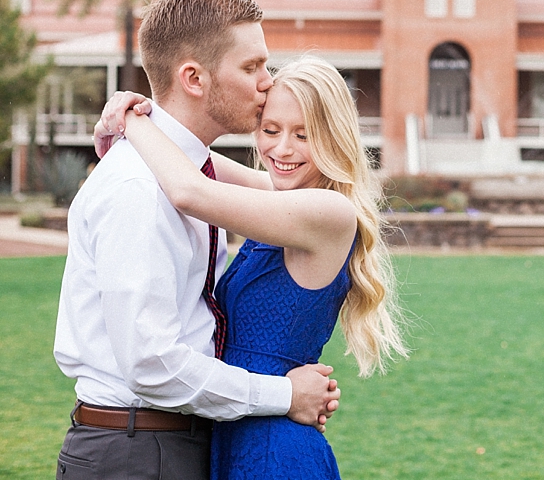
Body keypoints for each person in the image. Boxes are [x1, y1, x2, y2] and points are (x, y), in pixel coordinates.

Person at [54, 0, 341, 480]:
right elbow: (152, 365)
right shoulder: (141, 189)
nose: (266, 83)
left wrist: (134, 120)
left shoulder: (187, 172)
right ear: (193, 77)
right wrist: (285, 394)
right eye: (251, 67)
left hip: (179, 440)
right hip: (141, 452)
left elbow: (202, 182)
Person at [96, 55, 408, 479]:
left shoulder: (330, 212)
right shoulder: (285, 193)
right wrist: (138, 123)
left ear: (335, 138)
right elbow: (195, 160)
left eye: (304, 134)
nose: (281, 149)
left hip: (274, 449)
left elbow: (191, 190)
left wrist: (132, 120)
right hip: (237, 430)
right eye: (270, 130)